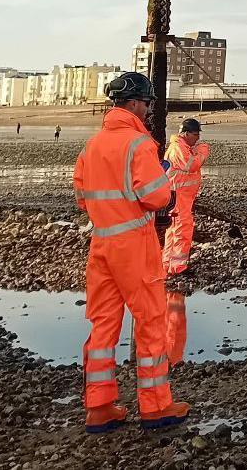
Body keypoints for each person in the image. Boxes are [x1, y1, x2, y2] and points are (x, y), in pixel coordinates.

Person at [74, 71, 189, 433]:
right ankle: (156, 407)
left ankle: (99, 407)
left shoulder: (92, 145)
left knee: (103, 327)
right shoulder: (139, 145)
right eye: (148, 103)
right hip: (133, 246)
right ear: (137, 103)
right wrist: (167, 193)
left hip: (102, 244)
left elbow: (82, 197)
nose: (149, 109)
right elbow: (154, 196)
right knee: (152, 321)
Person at [163, 118, 209, 276]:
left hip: (178, 196)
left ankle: (168, 263)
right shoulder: (178, 148)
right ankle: (178, 267)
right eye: (196, 134)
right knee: (182, 229)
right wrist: (202, 152)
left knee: (173, 229)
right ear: (187, 133)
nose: (198, 138)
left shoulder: (181, 147)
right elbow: (192, 165)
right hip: (178, 196)